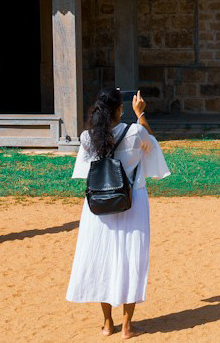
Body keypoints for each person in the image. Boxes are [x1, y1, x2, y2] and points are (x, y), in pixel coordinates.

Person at [68, 87, 170, 338]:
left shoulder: (87, 137)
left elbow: (82, 172)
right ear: (120, 109)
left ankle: (107, 323)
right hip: (131, 201)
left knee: (101, 259)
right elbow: (152, 144)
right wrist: (140, 114)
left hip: (98, 205)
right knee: (130, 260)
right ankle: (127, 326)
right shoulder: (135, 132)